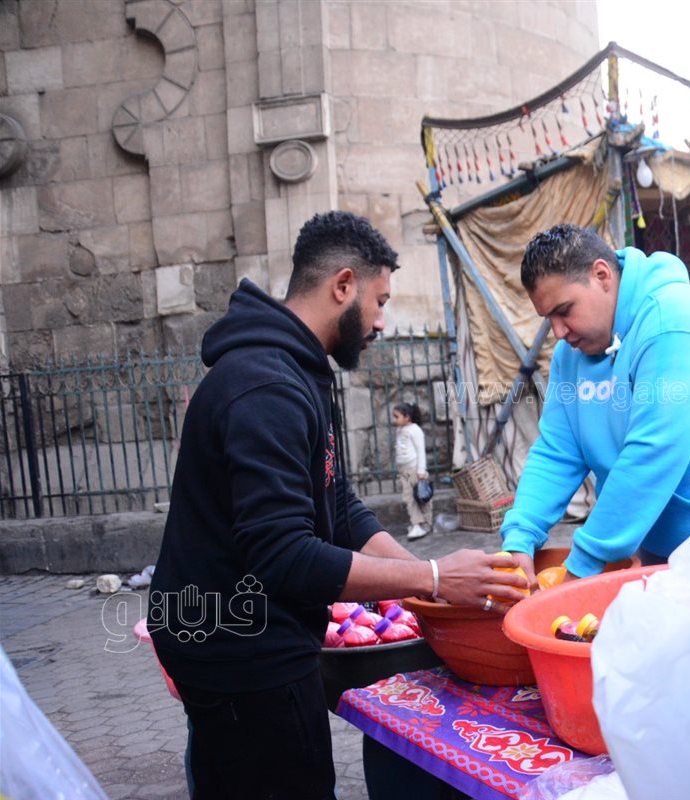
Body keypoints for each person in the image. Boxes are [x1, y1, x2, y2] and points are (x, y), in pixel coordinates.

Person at [148, 211, 525, 800]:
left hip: (246, 642)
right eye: (379, 302)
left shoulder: (298, 370)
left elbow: (337, 503)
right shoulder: (267, 386)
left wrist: (423, 580)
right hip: (243, 656)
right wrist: (431, 575)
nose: (380, 321)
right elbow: (283, 556)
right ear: (343, 285)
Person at [500, 223, 690, 584]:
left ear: (602, 275)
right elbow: (558, 450)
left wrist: (583, 566)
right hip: (661, 549)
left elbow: (651, 455)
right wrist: (520, 537)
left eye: (565, 310)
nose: (559, 332)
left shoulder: (675, 321)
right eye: (549, 319)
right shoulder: (571, 355)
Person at [393, 402, 431, 540]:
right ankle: (419, 524)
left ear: (407, 417)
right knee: (411, 498)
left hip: (414, 470)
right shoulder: (400, 430)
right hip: (404, 470)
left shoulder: (415, 430)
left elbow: (421, 451)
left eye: (396, 416)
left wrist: (421, 470)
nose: (394, 420)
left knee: (419, 497)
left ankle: (421, 524)